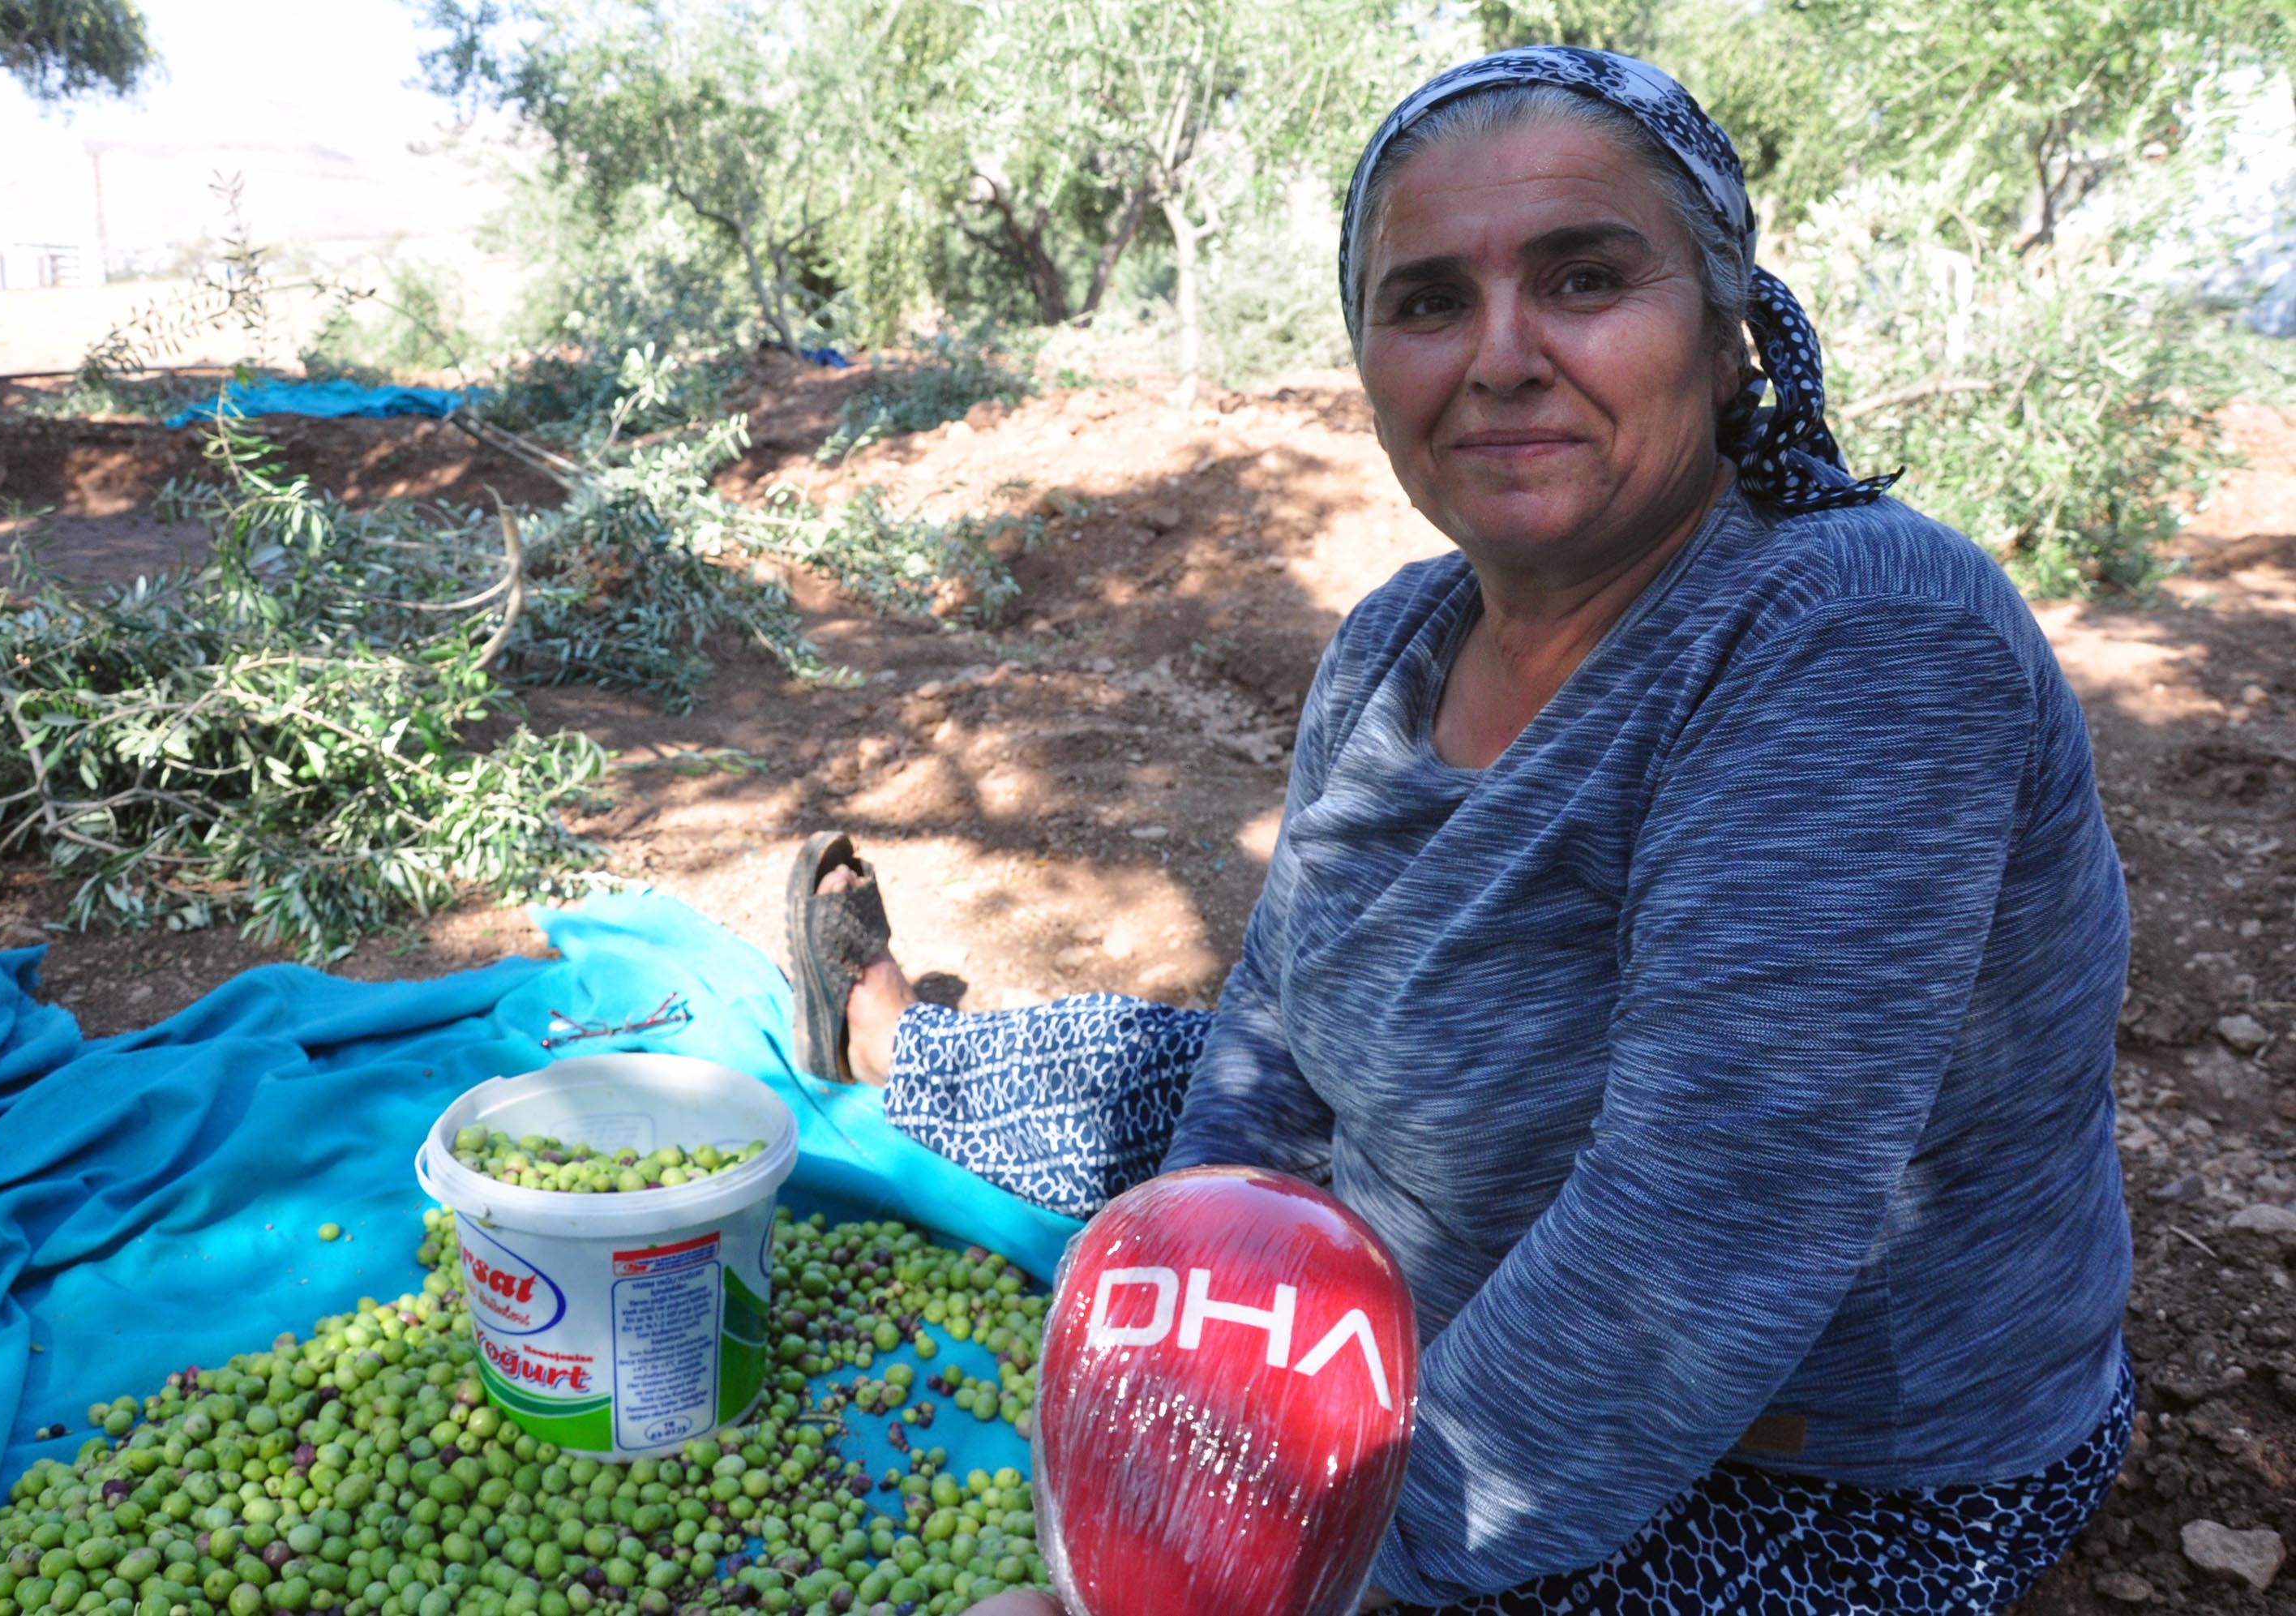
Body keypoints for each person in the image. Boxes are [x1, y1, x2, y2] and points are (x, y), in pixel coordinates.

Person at [784, 47, 2135, 1616]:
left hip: (1791, 1466)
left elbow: (1693, 1256)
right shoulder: (1395, 642)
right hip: (1422, 1264)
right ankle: (883, 1041)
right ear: (1368, 360)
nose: (1500, 355)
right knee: (1177, 1080)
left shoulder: (1865, 642)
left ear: (1727, 333)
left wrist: (1294, 1561)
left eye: (1583, 277)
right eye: (1426, 301)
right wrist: (1209, 1345)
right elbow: (1275, 1049)